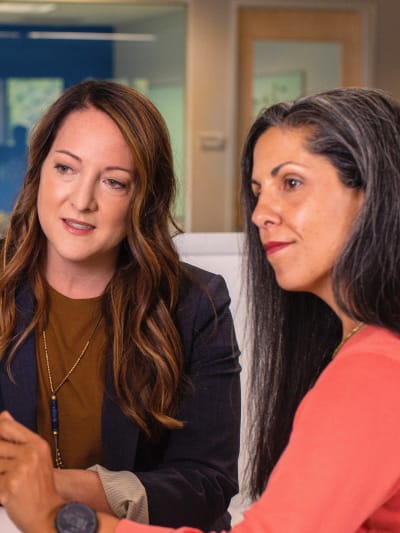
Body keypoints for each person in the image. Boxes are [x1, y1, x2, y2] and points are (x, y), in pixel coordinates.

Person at [2, 85, 400, 533]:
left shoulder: (373, 369)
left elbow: (209, 486)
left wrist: (58, 515)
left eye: (291, 183)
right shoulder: (357, 351)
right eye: (258, 190)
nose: (261, 214)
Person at [0, 80, 241, 530]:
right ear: (38, 173)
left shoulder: (195, 305)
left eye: (113, 182)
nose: (81, 200)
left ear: (142, 199)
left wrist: (49, 487)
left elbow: (206, 485)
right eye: (66, 169)